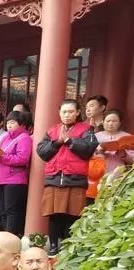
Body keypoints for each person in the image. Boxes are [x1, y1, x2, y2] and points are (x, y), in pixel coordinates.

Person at [36, 99, 98, 255]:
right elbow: (42, 151)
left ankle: (69, 247)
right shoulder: (52, 131)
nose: (67, 115)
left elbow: (88, 149)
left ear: (77, 112)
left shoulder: (86, 130)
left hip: (75, 179)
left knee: (73, 214)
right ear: (59, 113)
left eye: (71, 111)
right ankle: (54, 246)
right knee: (54, 214)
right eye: (64, 111)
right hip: (54, 178)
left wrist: (69, 140)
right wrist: (57, 142)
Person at [0, 110, 33, 237]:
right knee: (2, 210)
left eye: (12, 122)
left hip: (15, 179)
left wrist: (2, 157)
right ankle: (7, 235)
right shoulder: (5, 137)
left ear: (21, 124)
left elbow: (22, 159)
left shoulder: (24, 138)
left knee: (12, 210)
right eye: (8, 123)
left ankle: (11, 236)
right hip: (0, 178)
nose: (9, 125)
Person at [95, 109, 134, 177]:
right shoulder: (95, 136)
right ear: (103, 122)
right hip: (97, 173)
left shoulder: (127, 137)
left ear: (119, 123)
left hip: (119, 175)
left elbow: (132, 160)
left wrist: (124, 154)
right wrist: (98, 152)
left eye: (114, 121)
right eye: (108, 121)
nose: (110, 123)